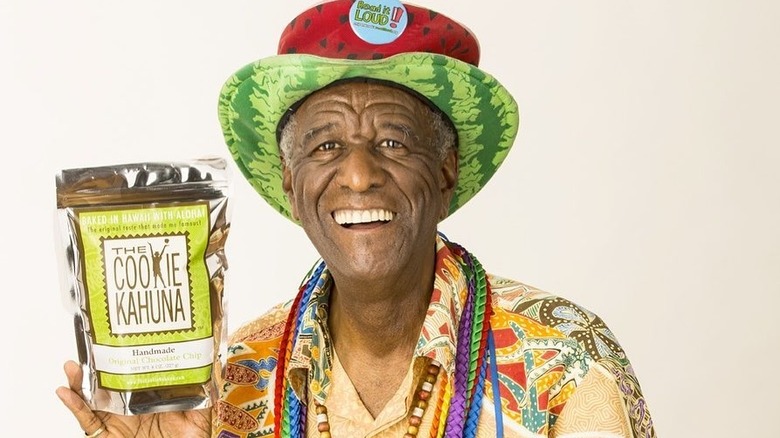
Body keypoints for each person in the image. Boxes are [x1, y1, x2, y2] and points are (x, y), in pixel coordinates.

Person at [57, 1, 656, 437]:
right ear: (292, 186)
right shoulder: (233, 383)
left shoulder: (564, 364)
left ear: (445, 173)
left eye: (394, 143)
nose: (359, 175)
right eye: (325, 147)